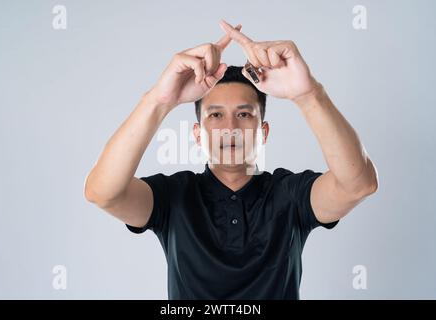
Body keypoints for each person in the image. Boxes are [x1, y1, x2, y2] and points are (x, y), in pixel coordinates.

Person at [84, 20, 379, 299]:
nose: (230, 128)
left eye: (244, 114)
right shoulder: (174, 196)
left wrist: (308, 94)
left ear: (263, 132)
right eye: (216, 115)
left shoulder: (290, 194)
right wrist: (159, 101)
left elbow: (358, 185)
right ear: (197, 134)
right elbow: (102, 193)